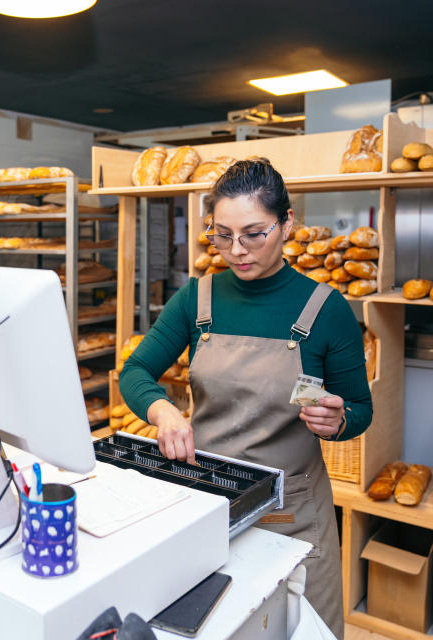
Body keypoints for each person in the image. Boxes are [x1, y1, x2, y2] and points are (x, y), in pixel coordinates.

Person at [119, 159, 372, 639]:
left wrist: (339, 421)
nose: (236, 251)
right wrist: (163, 409)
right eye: (222, 234)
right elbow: (135, 371)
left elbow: (361, 410)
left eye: (254, 234)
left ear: (287, 223)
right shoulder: (198, 298)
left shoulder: (326, 309)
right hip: (208, 504)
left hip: (292, 515)